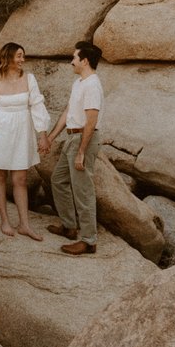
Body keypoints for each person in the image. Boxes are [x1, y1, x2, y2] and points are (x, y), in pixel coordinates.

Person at [0, 42, 51, 240]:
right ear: (8, 57)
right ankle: (5, 220)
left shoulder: (29, 79)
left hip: (22, 130)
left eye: (23, 56)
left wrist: (42, 133)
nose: (22, 60)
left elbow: (36, 105)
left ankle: (24, 224)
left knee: (21, 179)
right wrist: (7, 119)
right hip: (0, 129)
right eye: (19, 56)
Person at [44, 41, 104, 256]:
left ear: (84, 61)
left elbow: (91, 120)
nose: (72, 61)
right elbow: (68, 112)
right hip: (71, 138)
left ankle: (89, 241)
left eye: (74, 57)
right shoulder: (79, 83)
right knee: (58, 180)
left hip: (83, 140)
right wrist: (51, 137)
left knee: (83, 191)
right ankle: (70, 226)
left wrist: (81, 151)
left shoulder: (92, 85)